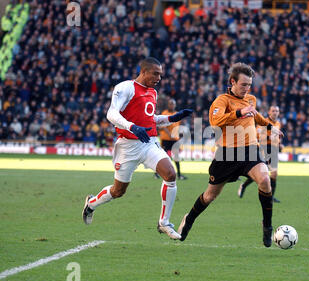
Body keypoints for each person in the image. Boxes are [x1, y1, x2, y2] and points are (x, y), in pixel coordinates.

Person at [82, 57, 193, 240]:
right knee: (118, 191)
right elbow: (111, 113)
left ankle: (164, 223)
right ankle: (91, 204)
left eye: (161, 74)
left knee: (170, 174)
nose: (159, 78)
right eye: (155, 73)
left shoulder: (153, 93)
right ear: (143, 71)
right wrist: (132, 127)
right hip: (127, 146)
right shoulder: (125, 87)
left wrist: (173, 118)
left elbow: (151, 119)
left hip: (148, 142)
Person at [177, 63, 283, 247]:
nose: (246, 88)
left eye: (249, 85)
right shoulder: (222, 101)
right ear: (232, 81)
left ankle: (267, 225)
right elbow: (215, 121)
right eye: (243, 84)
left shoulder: (250, 99)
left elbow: (255, 116)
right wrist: (239, 112)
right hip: (227, 154)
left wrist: (270, 127)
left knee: (265, 180)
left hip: (250, 150)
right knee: (210, 196)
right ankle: (189, 218)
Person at [238, 105, 283, 203]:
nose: (275, 112)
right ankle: (243, 185)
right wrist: (268, 138)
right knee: (260, 174)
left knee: (274, 175)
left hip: (273, 150)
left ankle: (270, 197)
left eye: (277, 111)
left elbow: (276, 138)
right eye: (273, 111)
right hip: (263, 149)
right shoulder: (263, 123)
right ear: (269, 113)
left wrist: (279, 144)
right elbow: (256, 136)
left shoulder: (278, 124)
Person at [158, 97, 187, 180]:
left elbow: (177, 126)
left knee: (176, 157)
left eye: (173, 104)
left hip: (174, 140)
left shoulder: (177, 114)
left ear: (175, 105)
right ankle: (157, 173)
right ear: (168, 105)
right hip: (166, 139)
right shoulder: (165, 113)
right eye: (170, 103)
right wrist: (169, 134)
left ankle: (179, 174)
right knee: (162, 157)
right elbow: (162, 126)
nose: (172, 105)